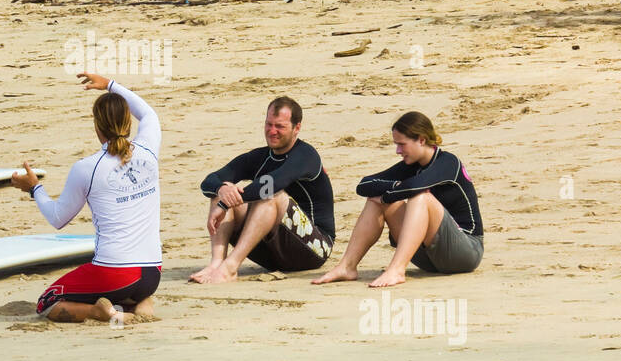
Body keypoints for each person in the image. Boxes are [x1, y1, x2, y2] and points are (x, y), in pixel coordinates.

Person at [11, 73, 161, 324]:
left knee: (47, 302)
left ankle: (100, 313)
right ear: (128, 122)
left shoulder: (87, 168)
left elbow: (58, 218)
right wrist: (110, 85)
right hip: (151, 275)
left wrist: (34, 188)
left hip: (115, 274)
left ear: (97, 126)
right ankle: (140, 308)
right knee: (130, 292)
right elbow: (148, 113)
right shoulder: (148, 149)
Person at [313, 112, 482, 289]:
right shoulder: (412, 165)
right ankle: (347, 267)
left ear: (422, 140)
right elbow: (364, 185)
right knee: (375, 200)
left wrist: (388, 194)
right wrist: (392, 189)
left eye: (402, 144)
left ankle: (397, 269)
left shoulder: (448, 162)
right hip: (431, 258)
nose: (398, 151)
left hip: (466, 251)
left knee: (421, 197)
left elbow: (415, 187)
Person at [190, 96, 334, 284]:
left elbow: (274, 182)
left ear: (296, 128)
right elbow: (210, 180)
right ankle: (217, 263)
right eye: (269, 124)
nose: (272, 131)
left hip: (314, 248)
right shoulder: (259, 157)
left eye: (280, 126)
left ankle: (230, 267)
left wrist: (226, 203)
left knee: (270, 196)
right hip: (272, 254)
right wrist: (222, 190)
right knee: (222, 190)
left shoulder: (306, 155)